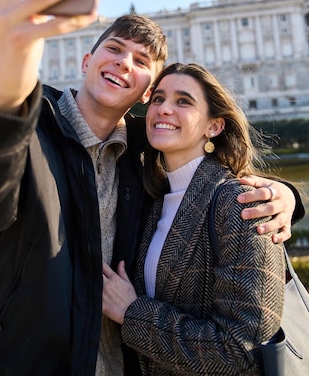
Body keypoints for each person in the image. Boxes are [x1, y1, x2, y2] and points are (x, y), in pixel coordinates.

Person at [0, 0, 303, 376]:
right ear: (86, 61)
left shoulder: (148, 157)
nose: (125, 62)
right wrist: (7, 79)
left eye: (142, 59)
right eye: (114, 49)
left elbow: (209, 177)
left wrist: (285, 195)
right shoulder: (25, 130)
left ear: (147, 91)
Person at [102, 62, 289, 375]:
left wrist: (132, 313)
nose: (163, 109)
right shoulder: (155, 201)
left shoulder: (241, 203)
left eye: (183, 101)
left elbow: (242, 352)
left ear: (214, 126)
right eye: (158, 99)